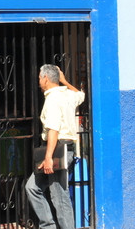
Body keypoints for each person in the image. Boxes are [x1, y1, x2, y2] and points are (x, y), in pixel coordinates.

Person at [25, 64, 85, 229]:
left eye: (39, 77)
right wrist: (65, 81)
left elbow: (53, 130)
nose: (39, 80)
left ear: (45, 78)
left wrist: (48, 158)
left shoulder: (52, 99)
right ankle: (48, 225)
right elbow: (81, 95)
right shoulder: (67, 95)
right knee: (32, 187)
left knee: (59, 196)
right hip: (63, 148)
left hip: (58, 148)